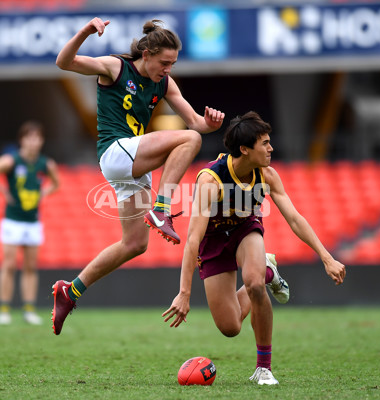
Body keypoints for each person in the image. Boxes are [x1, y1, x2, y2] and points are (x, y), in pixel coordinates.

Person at [50, 18, 224, 335]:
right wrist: (86, 33)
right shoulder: (115, 68)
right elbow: (64, 62)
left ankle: (71, 291)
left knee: (134, 244)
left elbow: (196, 123)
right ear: (146, 54)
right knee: (189, 141)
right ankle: (161, 209)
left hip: (132, 163)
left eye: (173, 63)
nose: (168, 69)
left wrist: (210, 124)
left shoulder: (165, 83)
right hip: (115, 152)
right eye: (164, 62)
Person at [162, 111, 346, 385]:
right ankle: (268, 271)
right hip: (212, 241)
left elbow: (295, 219)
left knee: (254, 285)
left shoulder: (267, 176)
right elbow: (193, 239)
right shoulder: (211, 181)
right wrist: (184, 294)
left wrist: (327, 258)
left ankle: (264, 368)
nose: (271, 148)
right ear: (245, 150)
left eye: (269, 142)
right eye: (265, 143)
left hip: (246, 229)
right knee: (230, 327)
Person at [0, 121, 60, 325]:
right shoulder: (11, 161)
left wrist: (43, 194)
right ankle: (4, 309)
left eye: (37, 137)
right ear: (22, 140)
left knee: (30, 267)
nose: (33, 142)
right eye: (29, 137)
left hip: (32, 222)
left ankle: (29, 309)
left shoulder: (45, 164)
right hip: (12, 220)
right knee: (9, 265)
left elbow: (57, 184)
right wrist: (2, 190)